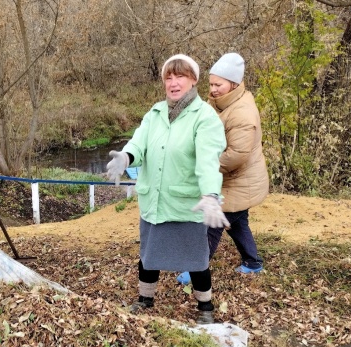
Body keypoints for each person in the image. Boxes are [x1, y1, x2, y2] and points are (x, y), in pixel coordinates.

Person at [106, 54, 229, 324]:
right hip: (154, 201)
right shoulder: (156, 113)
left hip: (186, 204)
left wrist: (210, 194)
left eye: (180, 76)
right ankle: (144, 299)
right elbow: (139, 143)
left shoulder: (205, 117)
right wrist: (126, 157)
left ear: (194, 80)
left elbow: (208, 160)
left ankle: (205, 308)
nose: (173, 83)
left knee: (196, 259)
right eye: (169, 77)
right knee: (149, 254)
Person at [176, 53, 268, 285]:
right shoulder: (221, 103)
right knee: (237, 224)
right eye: (212, 83)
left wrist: (203, 166)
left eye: (219, 84)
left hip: (237, 181)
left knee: (210, 225)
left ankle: (196, 270)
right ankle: (253, 262)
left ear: (234, 84)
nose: (213, 89)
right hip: (231, 181)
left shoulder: (242, 113)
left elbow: (237, 155)